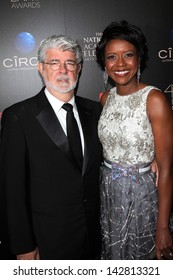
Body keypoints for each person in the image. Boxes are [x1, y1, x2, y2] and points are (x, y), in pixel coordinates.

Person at [0, 35, 103, 260]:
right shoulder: (18, 117)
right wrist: (23, 245)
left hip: (95, 238)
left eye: (70, 63)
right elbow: (12, 190)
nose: (63, 70)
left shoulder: (96, 111)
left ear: (80, 69)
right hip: (47, 242)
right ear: (40, 68)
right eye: (54, 63)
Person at [96, 20, 173, 260]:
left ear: (139, 58)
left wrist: (162, 228)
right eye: (111, 57)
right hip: (109, 193)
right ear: (104, 63)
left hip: (143, 197)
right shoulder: (105, 98)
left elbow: (167, 168)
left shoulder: (155, 99)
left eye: (128, 55)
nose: (120, 64)